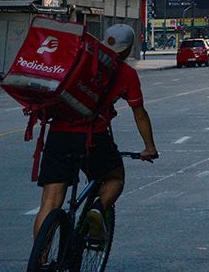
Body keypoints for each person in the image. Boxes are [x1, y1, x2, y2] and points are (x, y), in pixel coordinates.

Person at [32, 24, 159, 252]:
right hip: (92, 139)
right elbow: (139, 113)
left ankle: (39, 261)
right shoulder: (126, 73)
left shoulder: (78, 58)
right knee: (115, 178)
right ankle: (98, 209)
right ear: (127, 50)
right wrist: (149, 147)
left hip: (58, 134)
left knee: (49, 204)